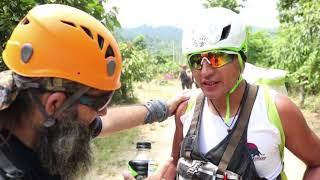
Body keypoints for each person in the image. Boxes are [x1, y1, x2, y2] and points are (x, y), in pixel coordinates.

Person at [0, 4, 188, 180]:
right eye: (101, 101)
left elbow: (104, 122)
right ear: (54, 103)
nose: (104, 111)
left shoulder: (27, 107)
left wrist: (161, 108)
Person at [164, 7, 320, 180]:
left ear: (241, 60)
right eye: (196, 60)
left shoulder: (278, 110)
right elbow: (174, 162)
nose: (205, 72)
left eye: (217, 59)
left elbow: (317, 162)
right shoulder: (186, 109)